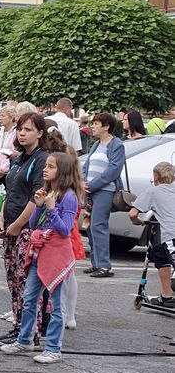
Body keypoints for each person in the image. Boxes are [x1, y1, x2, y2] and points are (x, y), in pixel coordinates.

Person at [0, 152, 82, 364]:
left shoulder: (69, 197)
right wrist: (38, 205)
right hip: (40, 252)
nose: (45, 169)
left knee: (56, 305)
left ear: (62, 171)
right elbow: (35, 224)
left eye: (51, 166)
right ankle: (25, 339)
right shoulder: (47, 191)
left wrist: (52, 209)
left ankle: (54, 348)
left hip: (57, 255)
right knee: (29, 298)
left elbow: (65, 230)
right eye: (46, 165)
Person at [0, 112, 48, 344]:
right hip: (10, 226)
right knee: (13, 280)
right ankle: (18, 324)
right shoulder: (18, 159)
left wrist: (17, 225)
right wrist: (1, 219)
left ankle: (31, 331)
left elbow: (35, 198)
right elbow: (10, 192)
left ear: (40, 133)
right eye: (20, 129)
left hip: (27, 229)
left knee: (26, 283)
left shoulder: (41, 159)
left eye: (28, 129)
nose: (23, 133)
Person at [83, 112, 125, 278]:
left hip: (104, 191)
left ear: (106, 126)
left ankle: (104, 265)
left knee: (98, 226)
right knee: (90, 227)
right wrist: (83, 183)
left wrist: (92, 185)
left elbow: (113, 170)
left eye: (96, 124)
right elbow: (87, 165)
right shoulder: (96, 144)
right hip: (91, 191)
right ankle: (96, 263)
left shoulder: (116, 144)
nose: (92, 127)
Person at [129, 161, 175, 308]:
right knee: (160, 254)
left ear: (155, 177)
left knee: (165, 251)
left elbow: (133, 213)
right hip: (167, 236)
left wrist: (138, 221)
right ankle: (166, 296)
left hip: (172, 235)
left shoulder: (152, 191)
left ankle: (167, 294)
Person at [0, 105, 17, 183]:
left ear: (11, 117)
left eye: (3, 115)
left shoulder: (16, 134)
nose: (0, 118)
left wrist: (3, 169)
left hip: (11, 172)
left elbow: (14, 153)